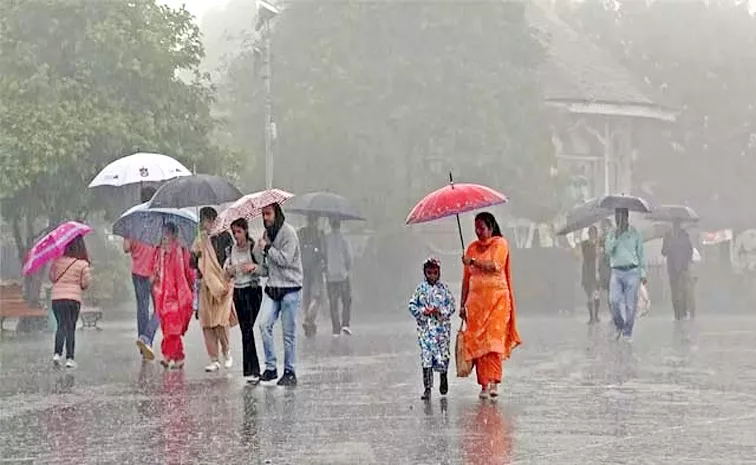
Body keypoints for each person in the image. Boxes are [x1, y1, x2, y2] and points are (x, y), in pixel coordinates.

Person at [460, 212, 522, 400]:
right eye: (476, 228)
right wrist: (462, 304)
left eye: (482, 227)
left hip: (498, 303)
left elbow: (495, 265)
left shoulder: (500, 244)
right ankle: (484, 385)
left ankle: (495, 381)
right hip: (476, 305)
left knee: (493, 342)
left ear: (491, 226)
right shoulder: (471, 248)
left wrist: (472, 261)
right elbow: (466, 279)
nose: (478, 231)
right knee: (479, 344)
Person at [258, 203, 303, 386]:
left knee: (288, 333)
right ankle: (270, 367)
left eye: (268, 214)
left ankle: (289, 371)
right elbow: (266, 266)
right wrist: (260, 250)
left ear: (277, 213)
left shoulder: (289, 233)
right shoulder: (267, 234)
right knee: (263, 325)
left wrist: (268, 248)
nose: (266, 218)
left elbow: (285, 259)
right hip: (273, 286)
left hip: (290, 287)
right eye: (263, 214)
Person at [191, 207, 236, 373]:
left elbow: (230, 257)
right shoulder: (200, 240)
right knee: (207, 323)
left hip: (222, 284)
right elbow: (193, 264)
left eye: (206, 221)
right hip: (206, 286)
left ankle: (227, 352)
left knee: (220, 321)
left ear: (212, 220)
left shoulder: (225, 236)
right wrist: (195, 255)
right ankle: (214, 359)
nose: (205, 225)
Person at [224, 218, 266, 384]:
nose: (236, 236)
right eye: (234, 232)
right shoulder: (230, 250)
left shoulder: (253, 248)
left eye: (239, 232)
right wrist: (230, 270)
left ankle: (253, 369)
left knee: (247, 329)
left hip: (253, 291)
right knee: (245, 330)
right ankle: (251, 370)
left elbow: (264, 270)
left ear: (246, 231)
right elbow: (225, 271)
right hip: (239, 292)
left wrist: (253, 268)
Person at [408, 257, 455, 401]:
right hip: (426, 330)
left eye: (435, 273)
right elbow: (412, 305)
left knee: (443, 355)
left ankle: (443, 377)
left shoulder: (444, 289)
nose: (432, 276)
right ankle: (427, 387)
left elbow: (451, 306)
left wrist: (440, 311)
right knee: (426, 358)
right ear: (425, 273)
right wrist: (423, 312)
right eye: (429, 273)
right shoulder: (420, 289)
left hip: (441, 330)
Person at [152, 223, 194, 369]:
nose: (164, 238)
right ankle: (179, 357)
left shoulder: (181, 251)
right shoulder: (159, 253)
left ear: (174, 235)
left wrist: (192, 289)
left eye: (167, 234)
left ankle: (167, 355)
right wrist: (154, 276)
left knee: (173, 328)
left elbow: (189, 272)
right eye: (163, 234)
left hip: (177, 296)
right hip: (162, 296)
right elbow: (154, 272)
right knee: (167, 328)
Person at [49, 236, 92, 369]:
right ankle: (70, 358)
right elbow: (85, 283)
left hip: (57, 299)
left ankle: (57, 353)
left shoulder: (57, 261)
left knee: (61, 324)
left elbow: (52, 277)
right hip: (73, 299)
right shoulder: (82, 264)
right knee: (70, 327)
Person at [128, 187, 160, 360]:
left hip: (137, 271)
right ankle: (147, 338)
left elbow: (127, 247)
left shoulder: (134, 220)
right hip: (154, 272)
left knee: (142, 308)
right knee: (160, 308)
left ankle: (144, 344)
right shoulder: (158, 221)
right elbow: (162, 247)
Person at [605, 208, 647, 340]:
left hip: (632, 272)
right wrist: (616, 237)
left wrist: (643, 272)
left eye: (621, 217)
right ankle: (620, 325)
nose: (619, 220)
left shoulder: (634, 233)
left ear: (626, 217)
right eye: (617, 217)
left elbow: (641, 253)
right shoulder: (612, 233)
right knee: (614, 301)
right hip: (617, 272)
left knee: (630, 305)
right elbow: (608, 250)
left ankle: (627, 332)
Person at [298, 214, 326, 338]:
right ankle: (309, 319)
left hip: (303, 267)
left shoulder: (301, 233)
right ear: (316, 221)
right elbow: (324, 252)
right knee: (317, 296)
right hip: (316, 268)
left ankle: (308, 321)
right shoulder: (319, 234)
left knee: (306, 295)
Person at [325, 217, 353, 336]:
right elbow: (349, 257)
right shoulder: (344, 239)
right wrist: (347, 268)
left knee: (333, 303)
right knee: (346, 300)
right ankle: (345, 324)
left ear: (330, 224)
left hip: (330, 276)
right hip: (343, 275)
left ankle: (336, 328)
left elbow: (323, 255)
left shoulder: (326, 239)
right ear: (339, 225)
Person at [662, 222, 694, 320]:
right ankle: (677, 313)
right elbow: (663, 251)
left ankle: (683, 311)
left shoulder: (685, 236)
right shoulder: (667, 236)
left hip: (683, 267)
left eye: (678, 224)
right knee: (674, 291)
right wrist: (669, 246)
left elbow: (690, 250)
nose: (676, 226)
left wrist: (687, 260)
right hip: (672, 268)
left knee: (683, 290)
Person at [580, 226, 601, 324]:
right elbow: (587, 255)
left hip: (596, 271)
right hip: (588, 271)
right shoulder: (585, 244)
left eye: (594, 233)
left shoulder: (599, 244)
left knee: (596, 294)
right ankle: (591, 317)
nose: (592, 235)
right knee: (589, 294)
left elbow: (600, 255)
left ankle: (595, 316)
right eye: (590, 233)